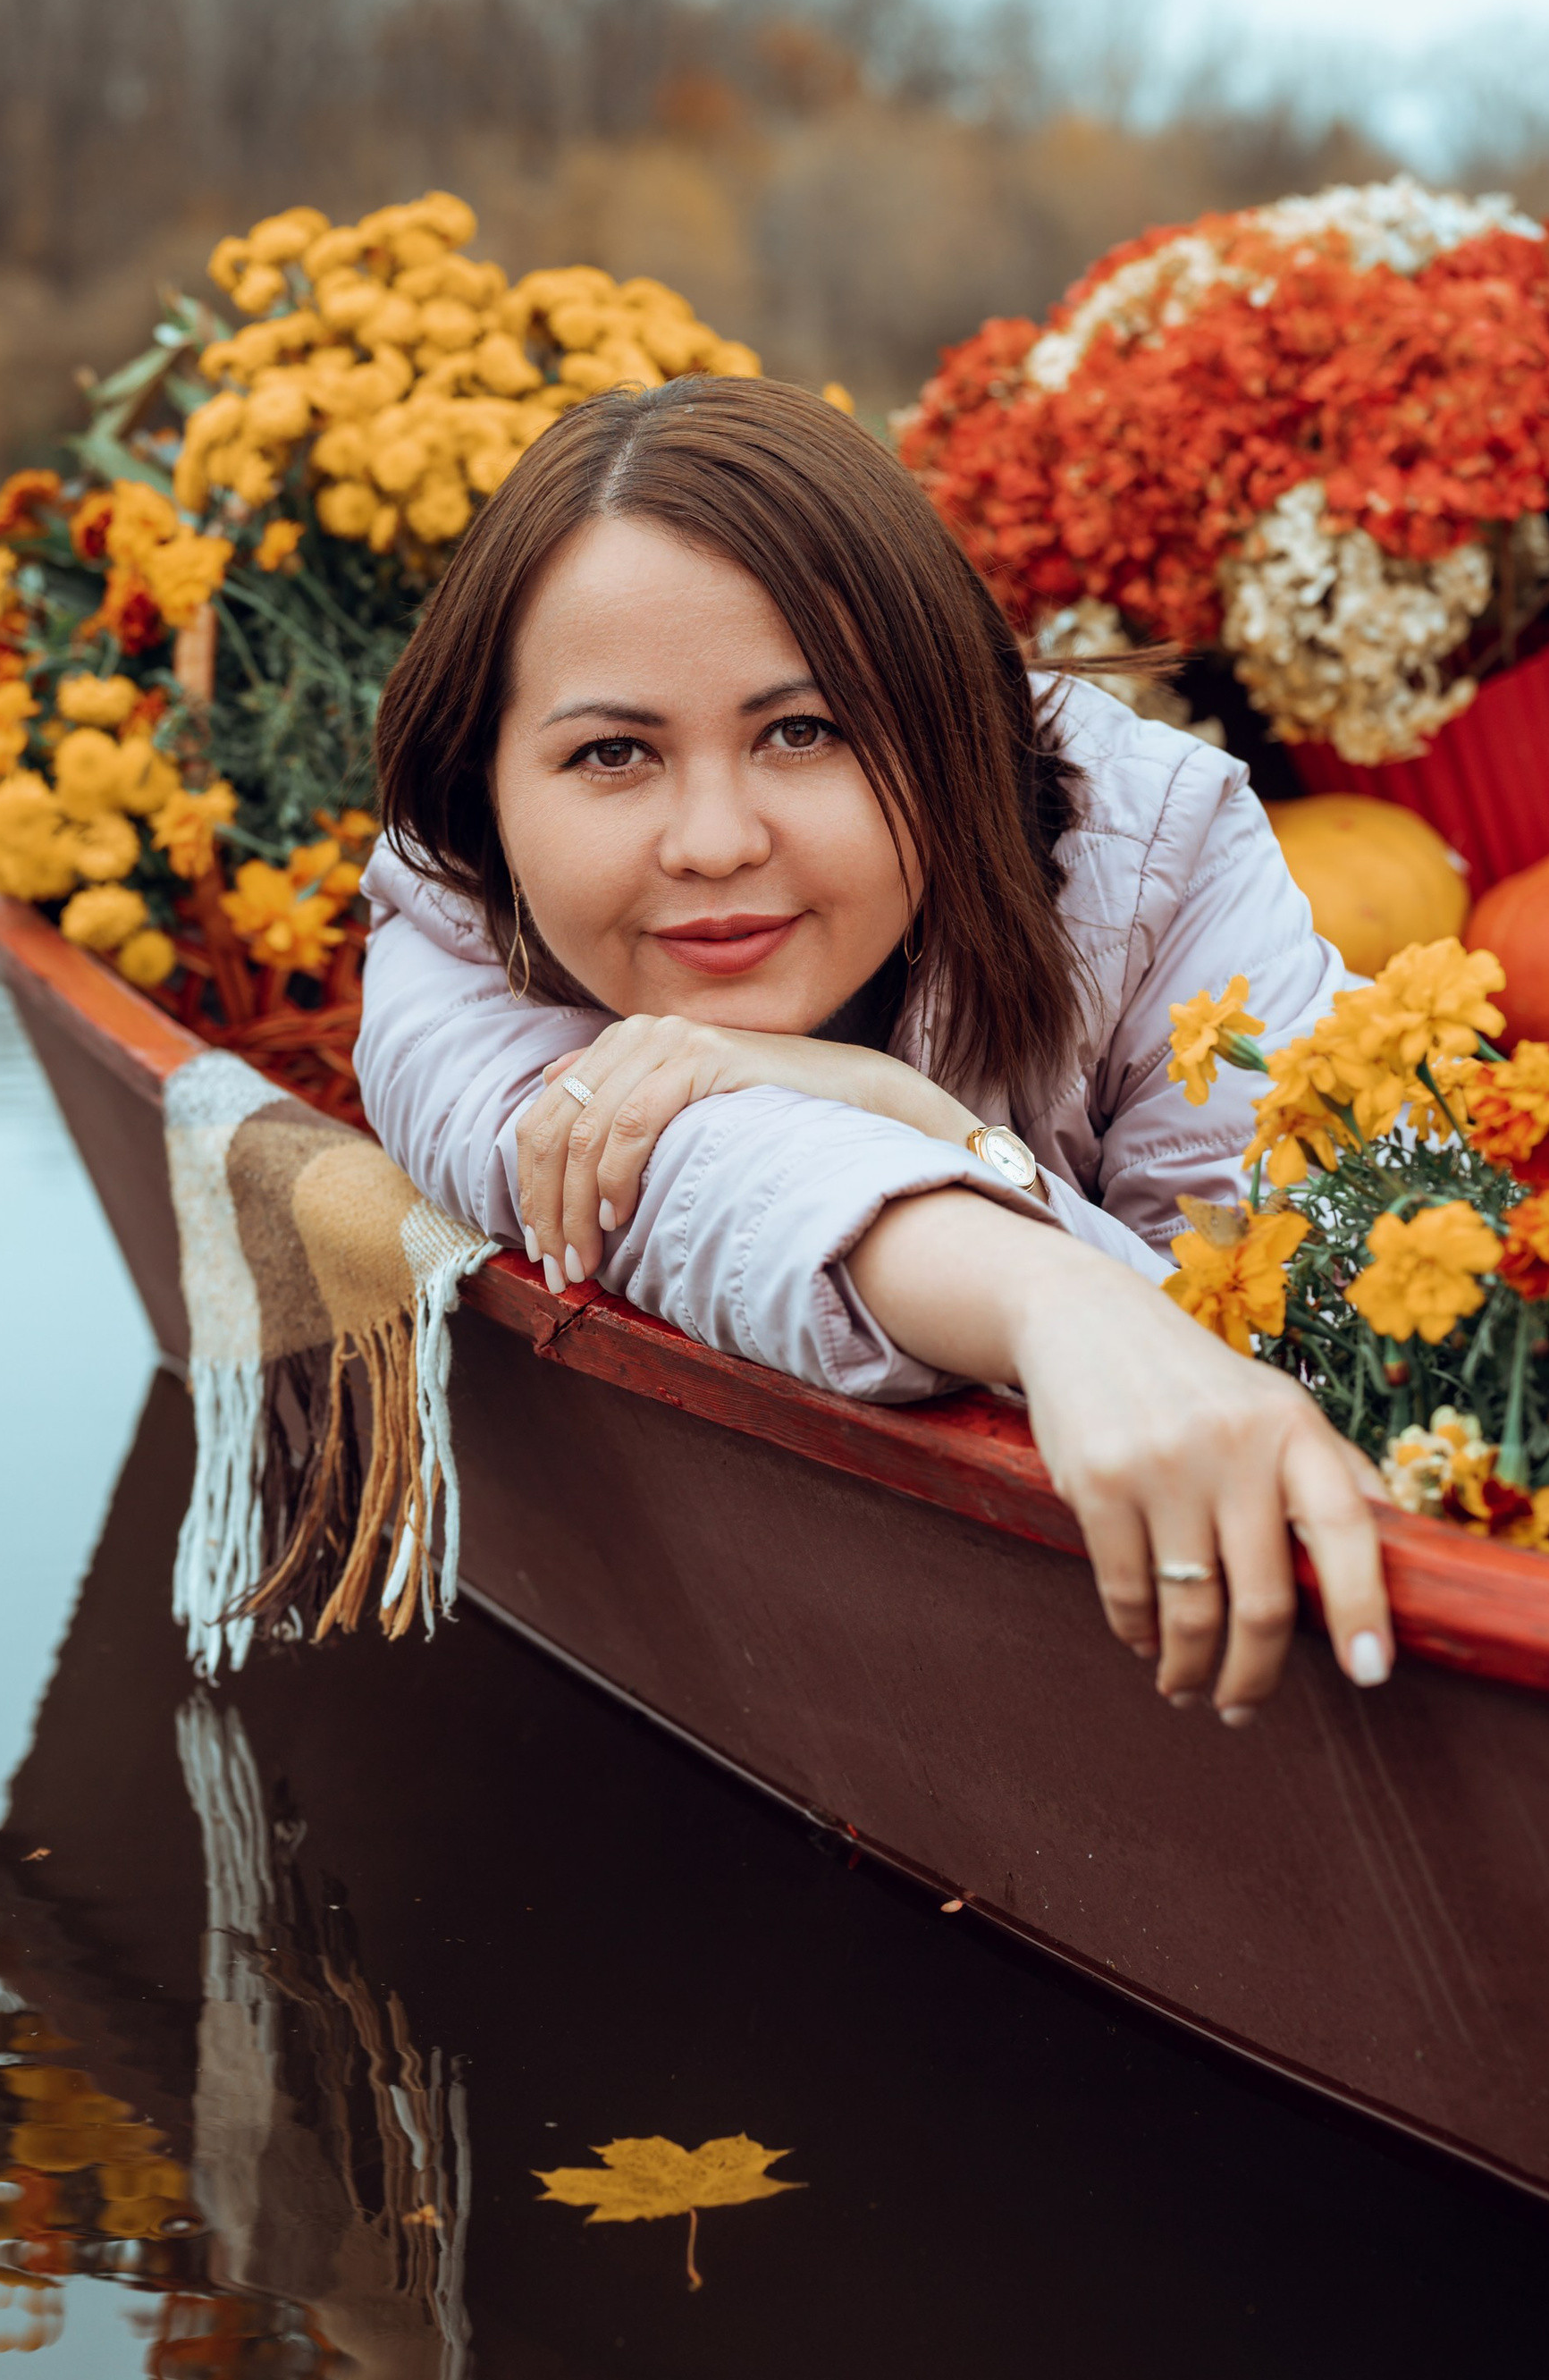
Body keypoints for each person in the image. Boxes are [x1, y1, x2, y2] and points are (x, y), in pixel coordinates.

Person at [358, 375, 1393, 1722]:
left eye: (805, 732)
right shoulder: (452, 925)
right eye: (614, 754)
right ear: (486, 782)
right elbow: (690, 1179)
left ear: (948, 717)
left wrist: (889, 1099)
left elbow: (1337, 1373)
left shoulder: (1150, 846)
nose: (714, 841)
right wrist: (1049, 1296)